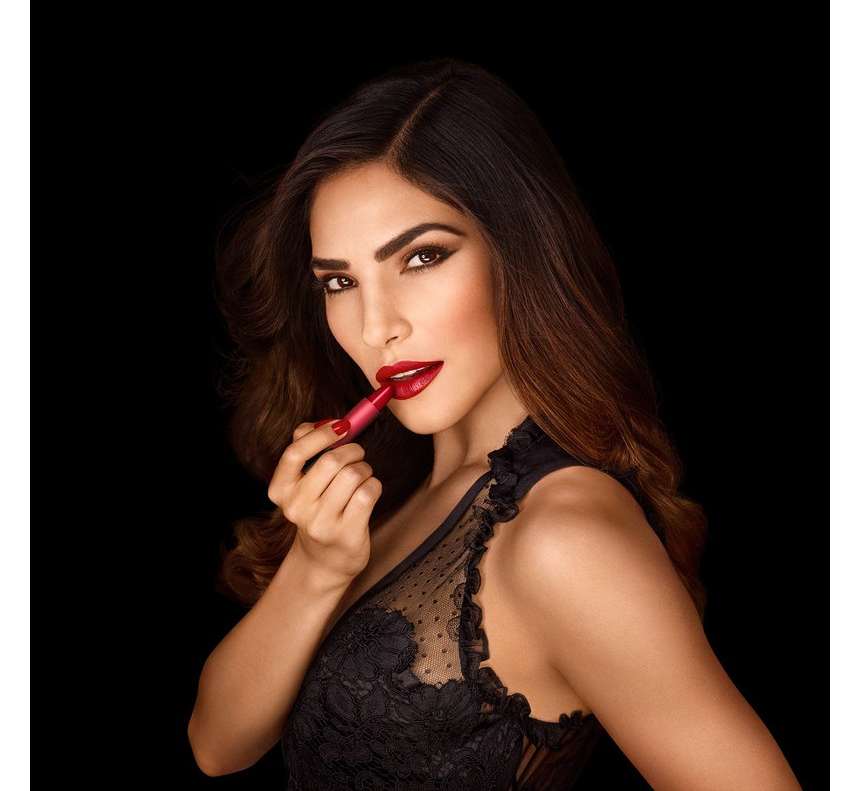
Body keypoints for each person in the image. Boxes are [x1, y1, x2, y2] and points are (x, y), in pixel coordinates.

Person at [187, 58, 801, 789]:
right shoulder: (395, 485)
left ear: (520, 252)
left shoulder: (565, 538)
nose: (376, 327)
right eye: (341, 281)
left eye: (422, 257)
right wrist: (316, 568)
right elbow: (217, 746)